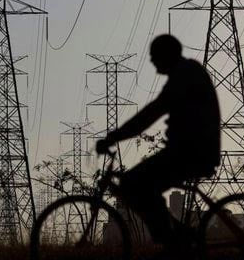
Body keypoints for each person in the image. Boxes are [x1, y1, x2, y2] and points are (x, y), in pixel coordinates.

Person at [95, 34, 221, 249]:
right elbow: (153, 112)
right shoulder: (185, 73)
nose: (152, 62)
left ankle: (170, 240)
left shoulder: (184, 76)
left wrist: (114, 137)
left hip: (191, 153)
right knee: (139, 184)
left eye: (155, 57)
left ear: (166, 55)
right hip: (190, 150)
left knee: (134, 183)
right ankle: (175, 235)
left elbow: (150, 113)